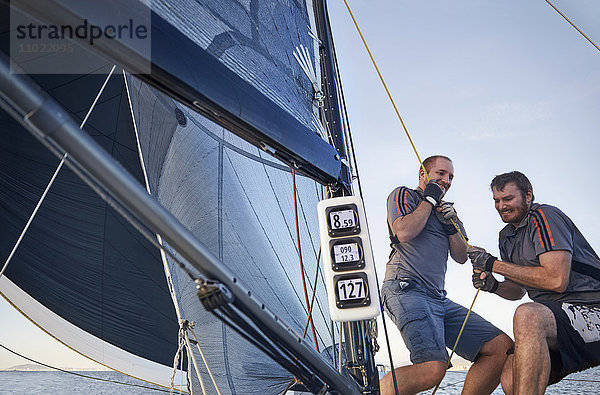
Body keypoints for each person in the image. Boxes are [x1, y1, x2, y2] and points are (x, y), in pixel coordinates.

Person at [380, 155, 512, 395]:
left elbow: (461, 256)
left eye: (450, 176)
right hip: (405, 288)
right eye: (440, 173)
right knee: (432, 369)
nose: (446, 180)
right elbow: (403, 231)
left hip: (438, 298)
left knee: (501, 348)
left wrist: (452, 224)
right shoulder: (405, 195)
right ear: (423, 174)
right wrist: (429, 199)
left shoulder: (448, 211)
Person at [468, 171, 600, 394]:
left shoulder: (544, 216)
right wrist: (494, 285)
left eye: (508, 199)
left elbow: (556, 279)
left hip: (592, 309)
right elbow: (517, 290)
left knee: (528, 314)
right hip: (558, 318)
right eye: (496, 201)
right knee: (510, 378)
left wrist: (493, 264)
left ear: (528, 195)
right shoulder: (506, 237)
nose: (501, 206)